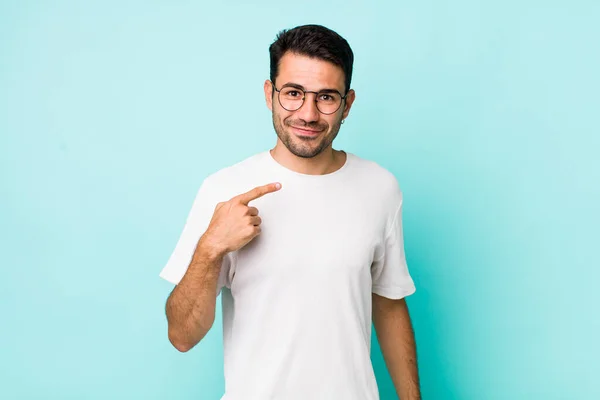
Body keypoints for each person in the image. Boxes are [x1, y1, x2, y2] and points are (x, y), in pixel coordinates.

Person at [159, 24, 421, 400]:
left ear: (347, 104)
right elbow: (182, 336)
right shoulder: (225, 190)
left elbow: (390, 304)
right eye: (293, 94)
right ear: (270, 94)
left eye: (326, 97)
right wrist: (210, 247)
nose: (309, 114)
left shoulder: (380, 188)